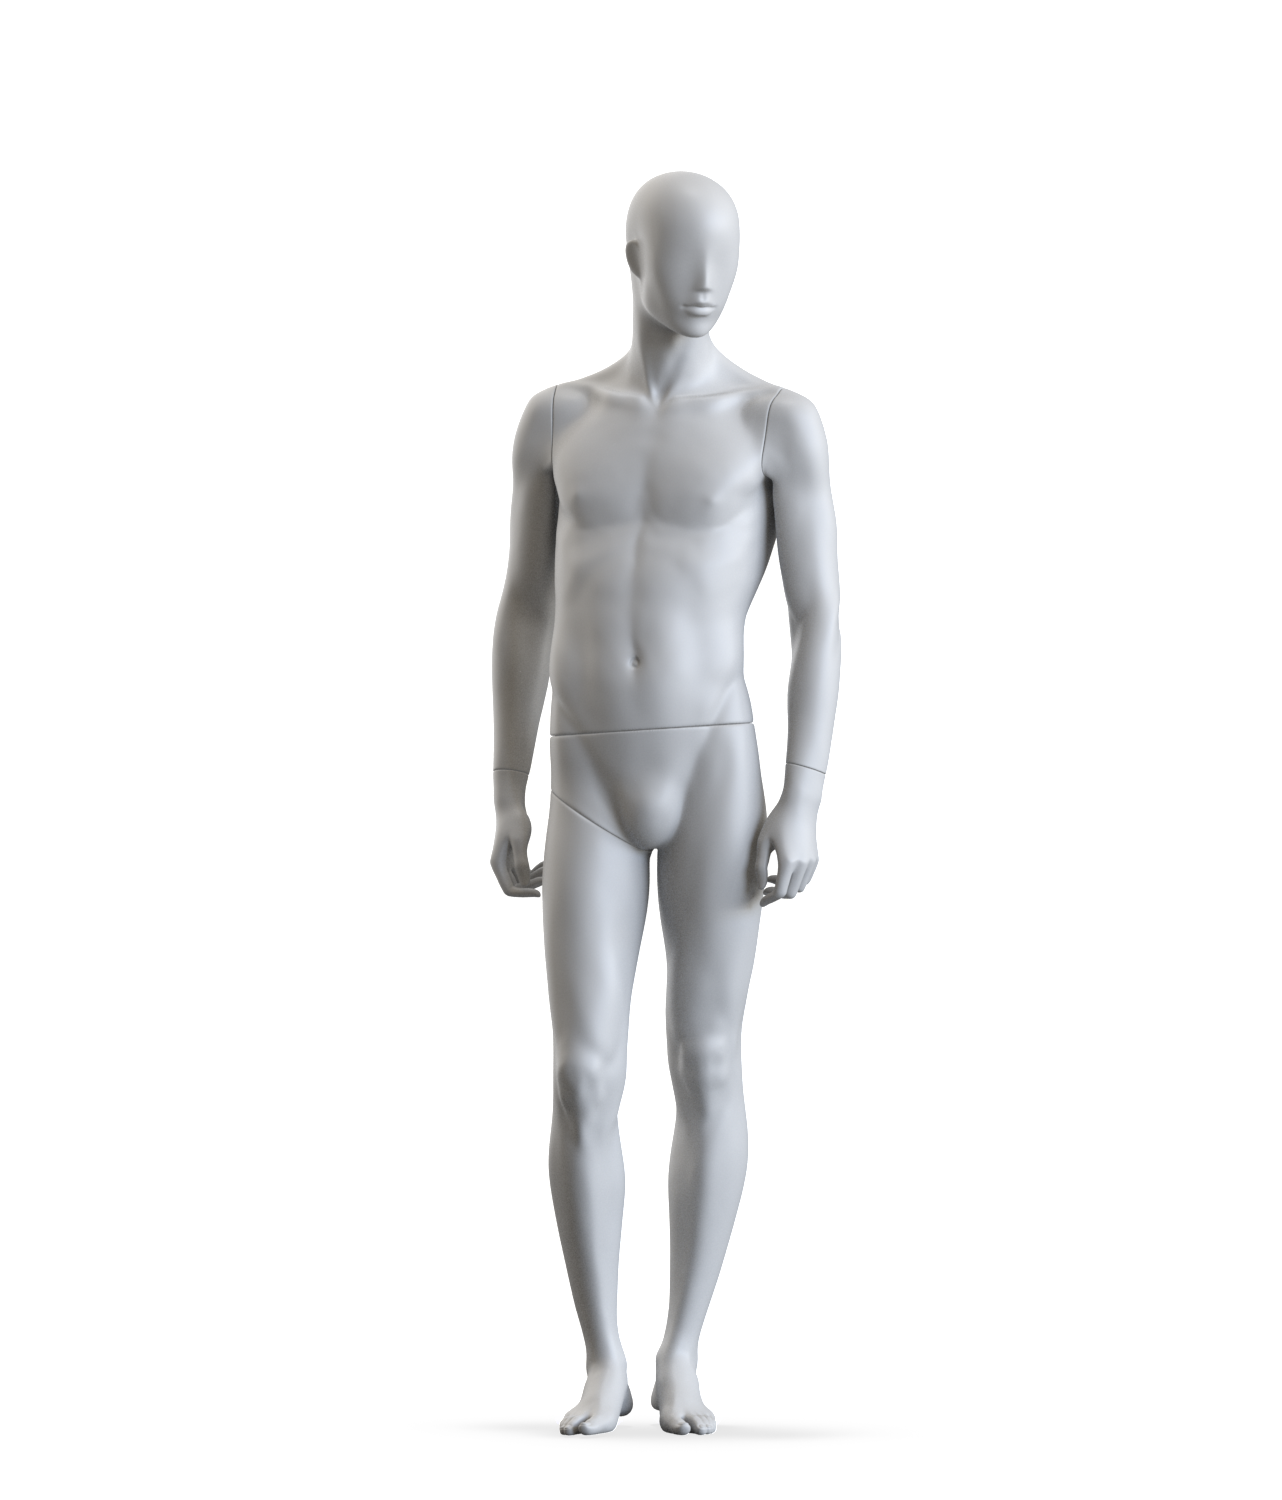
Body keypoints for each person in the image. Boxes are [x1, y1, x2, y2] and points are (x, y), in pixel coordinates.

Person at [490, 171, 840, 1436]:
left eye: (724, 255)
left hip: (713, 768)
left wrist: (803, 796)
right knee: (581, 1071)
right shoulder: (556, 420)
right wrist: (506, 787)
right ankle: (602, 1357)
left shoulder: (775, 422)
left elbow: (821, 614)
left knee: (708, 1058)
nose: (705, 279)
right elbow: (525, 605)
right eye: (681, 253)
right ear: (632, 256)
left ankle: (685, 1350)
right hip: (585, 763)